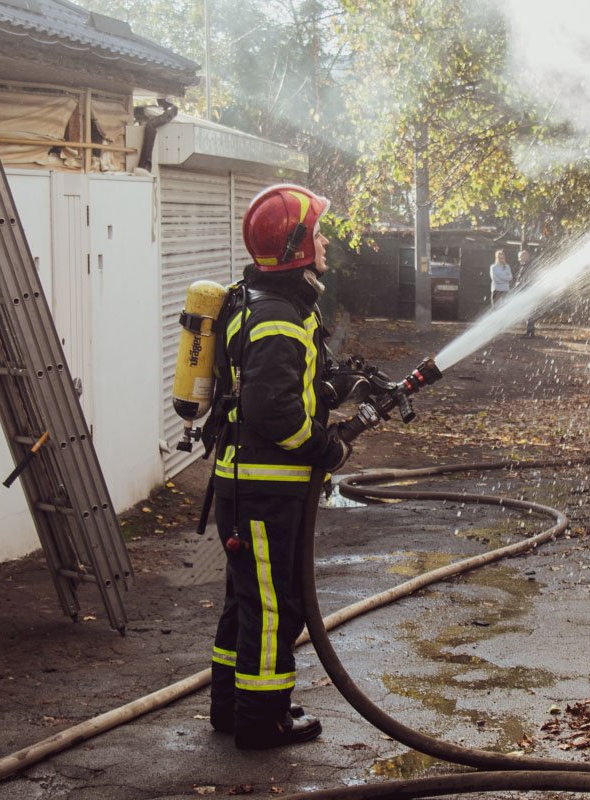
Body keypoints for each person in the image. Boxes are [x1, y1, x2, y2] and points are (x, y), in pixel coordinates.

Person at [208, 184, 353, 750]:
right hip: (265, 493)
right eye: (315, 234)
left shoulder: (268, 303)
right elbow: (274, 411)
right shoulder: (276, 318)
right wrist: (326, 448)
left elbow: (294, 382)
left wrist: (343, 387)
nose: (324, 242)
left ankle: (234, 706)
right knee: (272, 607)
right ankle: (262, 722)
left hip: (252, 491)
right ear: (294, 247)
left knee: (247, 602)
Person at [517, 249, 537, 338]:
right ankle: (529, 331)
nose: (520, 258)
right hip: (525, 292)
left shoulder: (530, 266)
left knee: (530, 312)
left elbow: (529, 279)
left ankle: (530, 332)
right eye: (520, 256)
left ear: (527, 256)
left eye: (522, 256)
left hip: (529, 292)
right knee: (528, 312)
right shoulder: (523, 266)